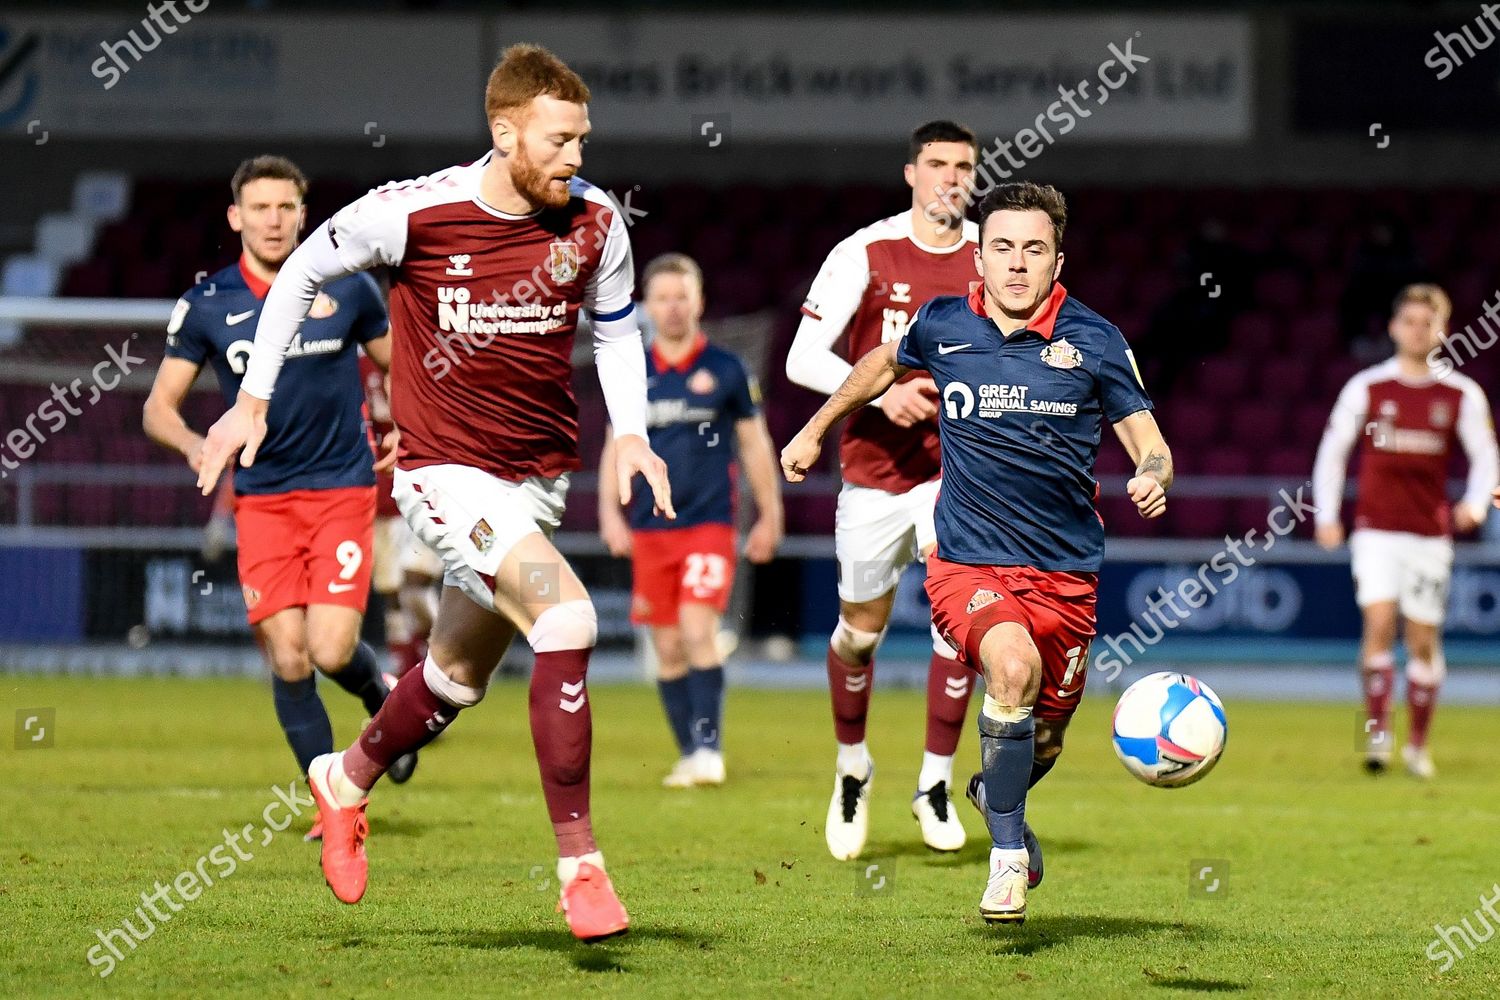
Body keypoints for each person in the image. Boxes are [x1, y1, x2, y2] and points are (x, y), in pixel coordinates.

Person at [193, 45, 670, 943]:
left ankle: (343, 779)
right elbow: (299, 275)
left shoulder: (599, 220)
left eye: (583, 139)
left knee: (453, 679)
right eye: (560, 139)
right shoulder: (414, 212)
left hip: (538, 477)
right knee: (568, 620)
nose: (577, 156)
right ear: (506, 132)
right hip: (440, 471)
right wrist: (252, 398)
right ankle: (581, 867)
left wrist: (634, 433)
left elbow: (615, 330)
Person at [781, 182, 1172, 924]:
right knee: (1011, 669)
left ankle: (998, 799)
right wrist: (816, 426)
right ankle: (1005, 862)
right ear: (981, 253)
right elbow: (878, 364)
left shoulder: (1096, 340)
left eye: (1033, 249)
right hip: (968, 562)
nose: (1016, 264)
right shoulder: (943, 324)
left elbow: (1149, 444)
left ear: (1059, 258)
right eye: (1002, 247)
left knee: (1044, 732)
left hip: (1066, 575)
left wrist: (1152, 476)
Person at [143, 156, 417, 831]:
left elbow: (405, 370)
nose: (273, 220)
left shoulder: (348, 289)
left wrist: (412, 427)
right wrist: (194, 444)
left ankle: (374, 688)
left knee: (328, 649)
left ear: (304, 213)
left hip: (340, 491)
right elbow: (158, 408)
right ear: (236, 218)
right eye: (259, 208)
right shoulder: (207, 305)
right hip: (261, 501)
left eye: (285, 208)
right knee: (289, 654)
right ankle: (337, 804)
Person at [783, 120, 982, 858]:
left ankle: (934, 781)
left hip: (956, 477)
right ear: (911, 174)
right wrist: (880, 394)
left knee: (959, 630)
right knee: (858, 637)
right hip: (871, 475)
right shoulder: (865, 251)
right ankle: (851, 766)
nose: (951, 178)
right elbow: (804, 356)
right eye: (938, 164)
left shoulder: (991, 257)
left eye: (963, 166)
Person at [598, 253, 783, 788]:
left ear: (699, 302)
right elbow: (616, 445)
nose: (673, 307)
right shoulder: (633, 372)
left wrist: (770, 515)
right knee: (668, 647)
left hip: (709, 523)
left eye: (682, 296)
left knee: (698, 629)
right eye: (662, 298)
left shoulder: (726, 370)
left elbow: (754, 445)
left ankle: (709, 749)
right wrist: (611, 512)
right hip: (650, 528)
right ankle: (688, 752)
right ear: (646, 306)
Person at [1313, 283, 1498, 779]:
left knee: (1421, 638)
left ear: (1443, 330)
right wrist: (1327, 513)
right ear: (1394, 327)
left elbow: (1486, 457)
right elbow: (1334, 451)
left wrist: (1477, 503)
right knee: (1377, 625)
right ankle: (1377, 736)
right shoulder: (1368, 387)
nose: (1418, 331)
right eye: (1409, 321)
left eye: (1428, 322)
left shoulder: (1461, 394)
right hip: (1375, 529)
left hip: (1429, 535)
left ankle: (1417, 745)